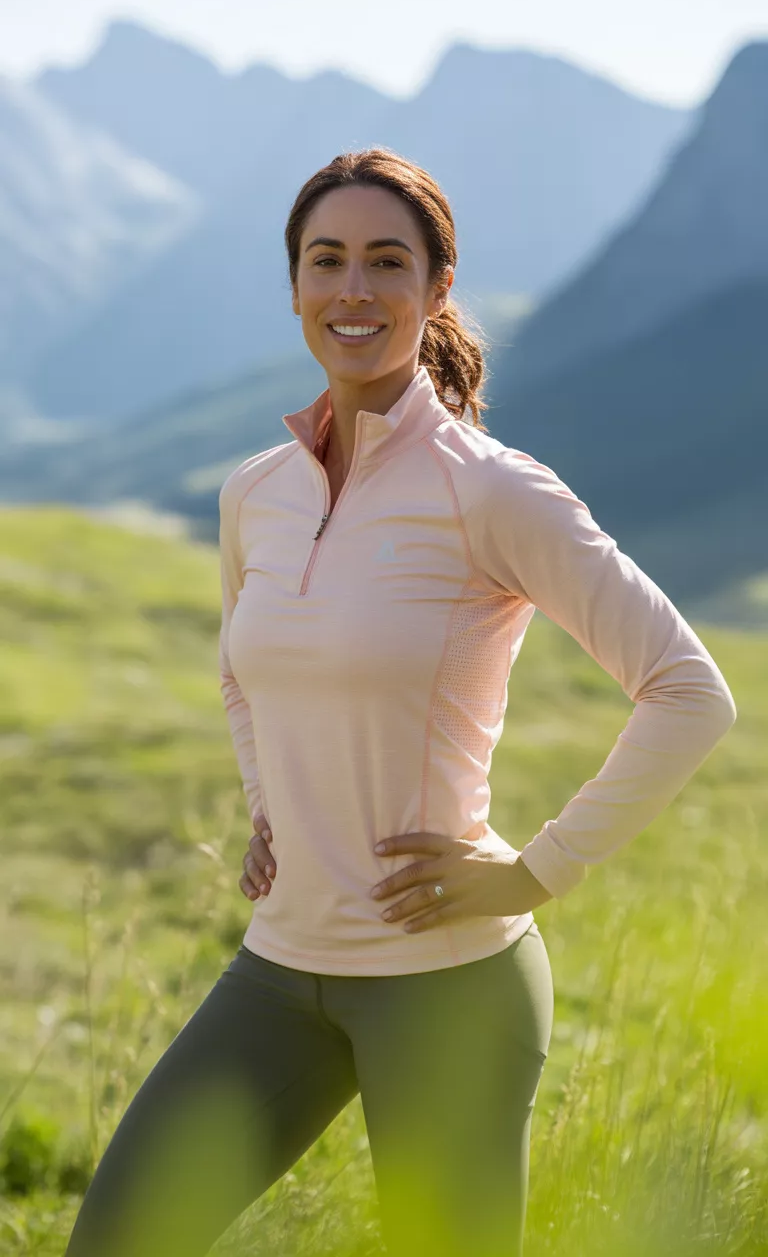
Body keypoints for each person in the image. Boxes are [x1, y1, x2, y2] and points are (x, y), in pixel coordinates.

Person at [64, 147, 737, 1257]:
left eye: (387, 261)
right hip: (280, 968)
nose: (354, 289)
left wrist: (538, 870)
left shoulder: (492, 489)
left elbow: (688, 691)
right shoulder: (256, 492)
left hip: (449, 985)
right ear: (294, 286)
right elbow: (241, 672)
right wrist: (267, 803)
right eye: (326, 260)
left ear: (436, 288)